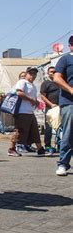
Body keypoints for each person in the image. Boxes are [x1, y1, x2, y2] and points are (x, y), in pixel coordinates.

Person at [8, 67, 48, 156]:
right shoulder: (22, 82)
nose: (33, 76)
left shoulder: (32, 85)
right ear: (26, 74)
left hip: (30, 112)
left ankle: (40, 149)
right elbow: (19, 92)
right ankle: (11, 149)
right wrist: (31, 100)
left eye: (34, 74)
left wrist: (36, 102)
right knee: (19, 131)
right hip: (22, 112)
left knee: (35, 131)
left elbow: (32, 98)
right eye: (31, 73)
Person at [53, 36, 73, 176]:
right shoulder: (65, 59)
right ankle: (63, 164)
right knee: (68, 133)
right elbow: (57, 78)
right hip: (69, 102)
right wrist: (71, 90)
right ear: (70, 45)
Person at [40, 66, 60, 153]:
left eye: (54, 71)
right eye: (51, 71)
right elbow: (42, 96)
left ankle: (60, 145)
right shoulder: (46, 83)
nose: (53, 73)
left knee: (60, 127)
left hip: (60, 108)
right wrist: (51, 104)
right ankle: (47, 145)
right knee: (48, 127)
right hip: (50, 108)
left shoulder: (59, 82)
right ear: (48, 73)